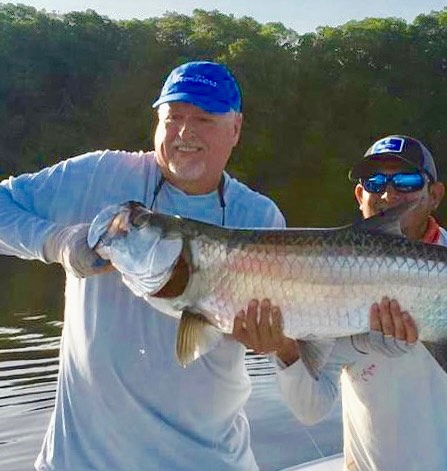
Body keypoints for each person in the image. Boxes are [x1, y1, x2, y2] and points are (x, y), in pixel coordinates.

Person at [0, 61, 285, 470]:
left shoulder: (259, 216)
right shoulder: (99, 174)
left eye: (203, 118)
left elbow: (276, 335)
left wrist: (269, 340)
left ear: (235, 129)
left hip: (210, 459)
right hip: (82, 461)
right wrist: (58, 242)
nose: (185, 132)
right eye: (174, 117)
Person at [237, 135, 447, 471]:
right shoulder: (326, 280)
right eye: (374, 183)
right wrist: (286, 350)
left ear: (434, 195)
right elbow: (311, 409)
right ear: (360, 196)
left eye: (406, 181)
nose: (388, 195)